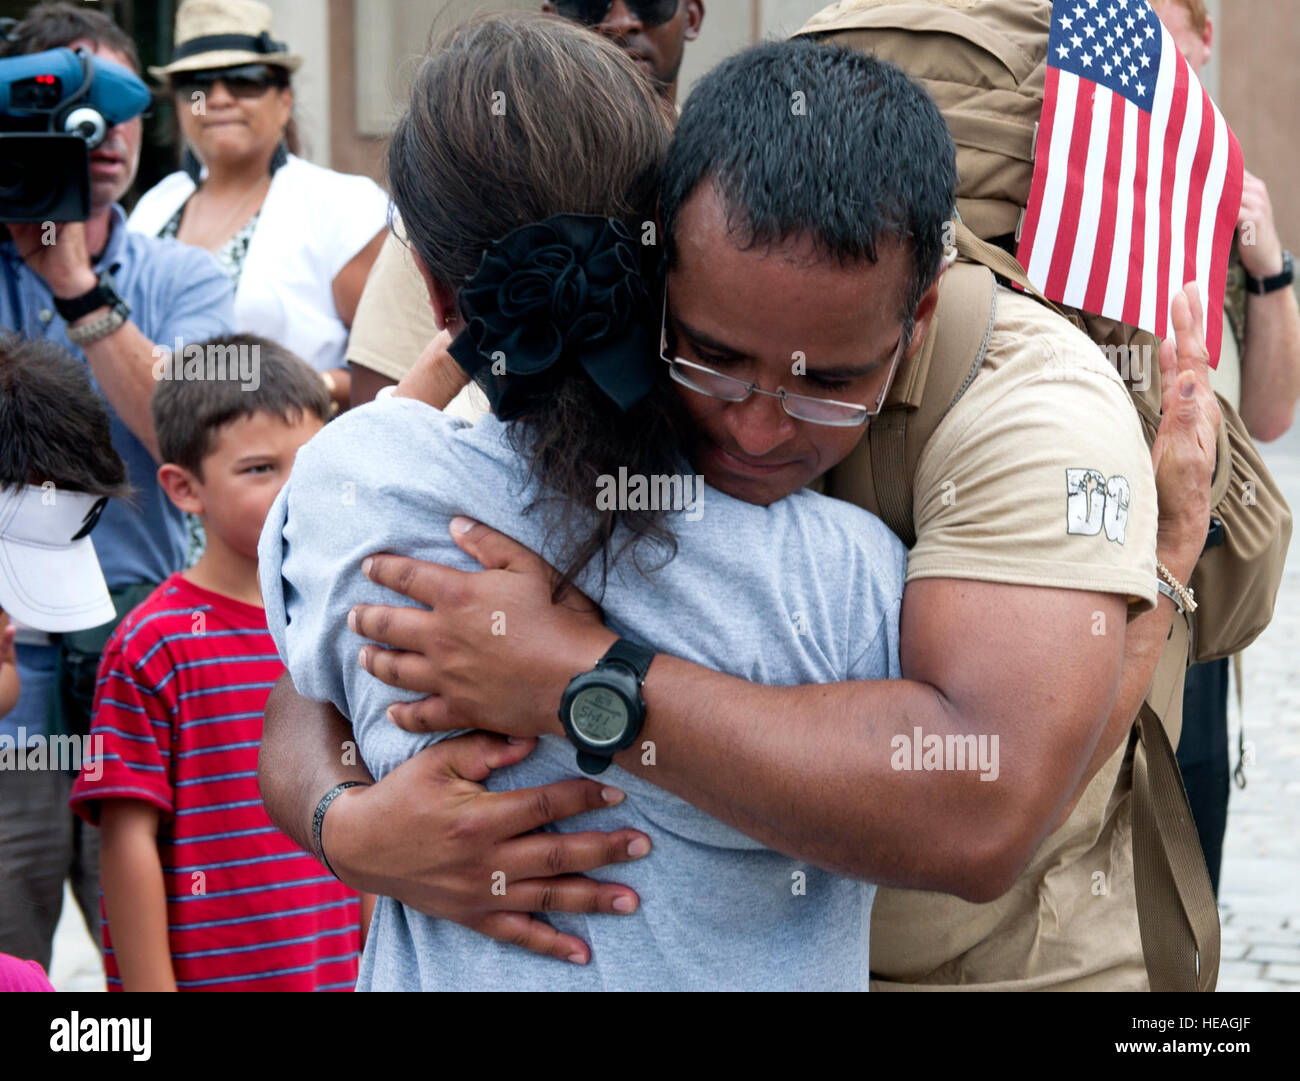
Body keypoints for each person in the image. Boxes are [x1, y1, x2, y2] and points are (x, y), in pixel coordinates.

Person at [262, 27, 1219, 989]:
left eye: (827, 383)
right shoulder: (822, 558)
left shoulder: (1039, 413)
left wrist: (580, 675)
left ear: (917, 315)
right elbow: (309, 679)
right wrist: (346, 826)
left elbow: (984, 804)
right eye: (711, 358)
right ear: (656, 262)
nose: (758, 430)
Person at [261, 13, 917, 992]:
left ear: (437, 296)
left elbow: (297, 662)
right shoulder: (844, 567)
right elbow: (977, 805)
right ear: (671, 260)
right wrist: (1158, 564)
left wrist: (340, 825)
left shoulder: (360, 486)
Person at [0, 2, 234, 971]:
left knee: (152, 953)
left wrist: (77, 289)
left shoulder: (186, 276)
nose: (99, 133)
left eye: (121, 103)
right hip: (7, 657)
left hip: (136, 652)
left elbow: (194, 443)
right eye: (69, 104)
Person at [69, 335, 362, 992]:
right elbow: (127, 839)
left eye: (311, 463)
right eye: (260, 469)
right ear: (184, 487)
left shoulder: (339, 622)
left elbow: (366, 807)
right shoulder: (153, 643)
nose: (294, 490)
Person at [346, 0, 704, 407]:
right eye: (589, 1)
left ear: (692, 14)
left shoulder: (715, 195)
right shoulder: (452, 198)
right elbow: (375, 399)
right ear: (553, 18)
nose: (621, 22)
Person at [1153, 0, 1300, 896]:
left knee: (1187, 852)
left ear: (1205, 39)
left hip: (1199, 584)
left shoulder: (1226, 198)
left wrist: (1269, 262)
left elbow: (1277, 413)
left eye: (1162, 27)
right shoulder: (1077, 183)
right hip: (1092, 565)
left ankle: (1181, 1039)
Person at [128, 0, 389, 412]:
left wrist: (299, 388)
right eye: (196, 84)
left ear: (284, 100)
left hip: (292, 462)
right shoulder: (154, 207)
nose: (217, 98)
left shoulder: (344, 207)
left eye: (243, 80)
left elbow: (394, 366)